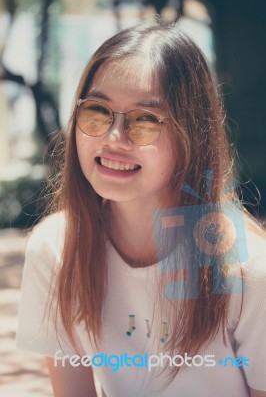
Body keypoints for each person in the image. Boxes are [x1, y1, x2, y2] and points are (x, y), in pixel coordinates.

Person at [16, 21, 266, 397]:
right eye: (97, 111)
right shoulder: (55, 249)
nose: (113, 139)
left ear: (191, 137)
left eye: (145, 120)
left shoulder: (246, 269)